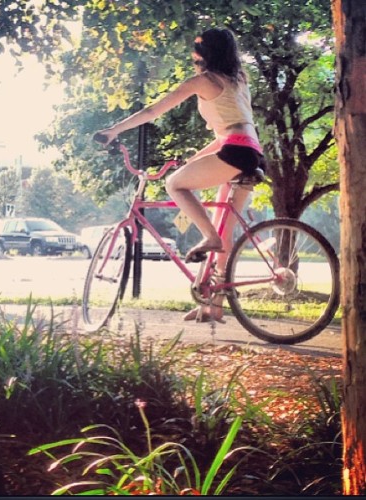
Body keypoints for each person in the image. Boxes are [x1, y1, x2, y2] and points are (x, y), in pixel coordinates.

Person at [96, 27, 265, 322]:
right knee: (224, 227)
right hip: (252, 152)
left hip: (235, 151)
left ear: (204, 52)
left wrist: (114, 130)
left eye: (196, 46)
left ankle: (208, 238)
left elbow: (151, 111)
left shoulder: (203, 81)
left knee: (174, 184)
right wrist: (195, 159)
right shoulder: (239, 80)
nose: (193, 52)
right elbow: (233, 130)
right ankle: (212, 306)